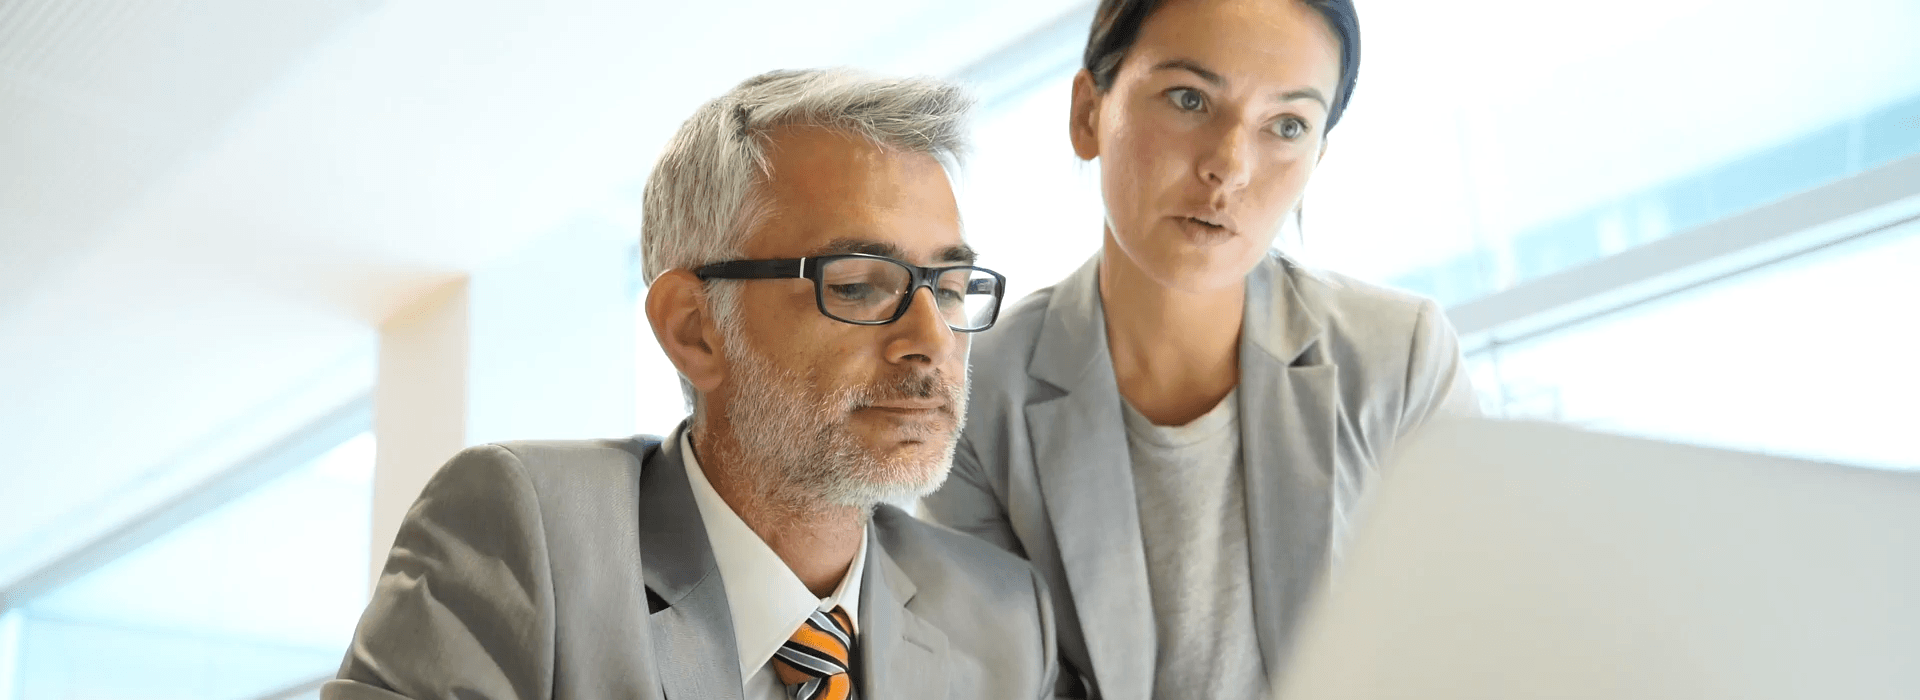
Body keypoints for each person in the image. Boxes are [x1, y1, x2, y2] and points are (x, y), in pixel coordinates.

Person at [326, 68, 1058, 700]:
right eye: (861, 285)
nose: (931, 341)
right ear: (693, 328)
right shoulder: (527, 534)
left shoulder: (1001, 615)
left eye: (952, 287)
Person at [922, 1, 1477, 698]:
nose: (1230, 167)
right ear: (1088, 113)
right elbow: (1004, 682)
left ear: (1317, 158)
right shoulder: (980, 398)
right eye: (1189, 98)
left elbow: (1466, 649)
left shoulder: (1402, 360)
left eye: (1287, 125)